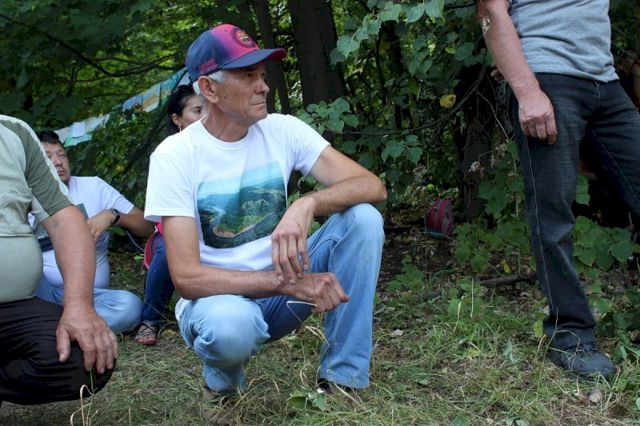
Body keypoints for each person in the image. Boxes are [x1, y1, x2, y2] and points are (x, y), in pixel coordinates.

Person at [144, 24, 386, 396]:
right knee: (229, 327)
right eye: (248, 76)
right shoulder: (175, 156)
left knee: (363, 219)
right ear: (209, 88)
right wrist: (285, 282)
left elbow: (371, 186)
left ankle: (343, 379)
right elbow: (187, 278)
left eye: (262, 75)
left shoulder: (283, 130)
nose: (264, 87)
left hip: (284, 291)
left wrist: (307, 203)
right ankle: (222, 387)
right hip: (221, 303)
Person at [478, 0, 640, 379]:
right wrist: (526, 89)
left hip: (604, 80)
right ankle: (571, 335)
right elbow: (489, 10)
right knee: (553, 215)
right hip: (547, 79)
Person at [0, 115, 116, 405]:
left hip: (14, 306)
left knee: (83, 357)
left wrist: (79, 307)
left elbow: (64, 219)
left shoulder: (14, 132)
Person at [32, 131, 154, 334]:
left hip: (92, 297)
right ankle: (72, 327)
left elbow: (148, 226)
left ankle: (51, 328)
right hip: (44, 293)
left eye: (61, 155)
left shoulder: (93, 186)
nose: (58, 162)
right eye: (48, 157)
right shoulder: (24, 196)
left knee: (130, 306)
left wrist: (113, 215)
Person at [135, 85, 204, 345]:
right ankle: (150, 318)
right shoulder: (168, 155)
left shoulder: (223, 146)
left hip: (217, 228)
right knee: (168, 250)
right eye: (197, 111)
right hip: (176, 231)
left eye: (207, 110)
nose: (204, 117)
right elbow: (165, 218)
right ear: (177, 119)